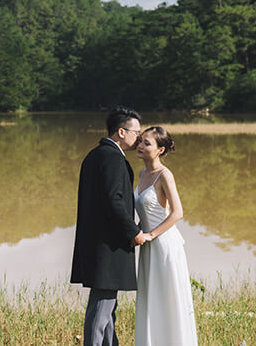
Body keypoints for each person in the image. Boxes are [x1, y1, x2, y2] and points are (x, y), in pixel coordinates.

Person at [71, 106, 150, 346]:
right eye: (137, 132)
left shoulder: (95, 155)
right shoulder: (113, 158)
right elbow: (113, 201)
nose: (139, 137)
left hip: (96, 243)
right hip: (108, 246)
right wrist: (134, 232)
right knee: (101, 307)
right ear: (121, 132)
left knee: (107, 307)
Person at [133, 126, 198, 346]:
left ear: (160, 150)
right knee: (152, 300)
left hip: (165, 245)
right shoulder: (142, 174)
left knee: (168, 300)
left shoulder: (164, 175)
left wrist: (150, 234)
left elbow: (178, 213)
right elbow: (147, 211)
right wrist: (137, 230)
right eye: (140, 141)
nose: (140, 146)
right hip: (148, 246)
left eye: (146, 143)